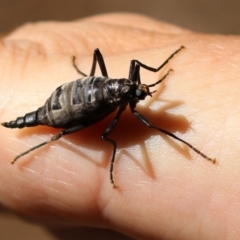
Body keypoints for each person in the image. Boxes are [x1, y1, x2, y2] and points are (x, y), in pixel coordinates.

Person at [0, 13, 239, 239]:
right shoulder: (124, 100)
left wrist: (154, 77)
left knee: (119, 121)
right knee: (93, 133)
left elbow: (132, 80)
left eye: (140, 89)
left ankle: (46, 127)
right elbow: (107, 135)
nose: (143, 90)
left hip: (82, 92)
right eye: (140, 89)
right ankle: (40, 143)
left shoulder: (126, 88)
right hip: (66, 107)